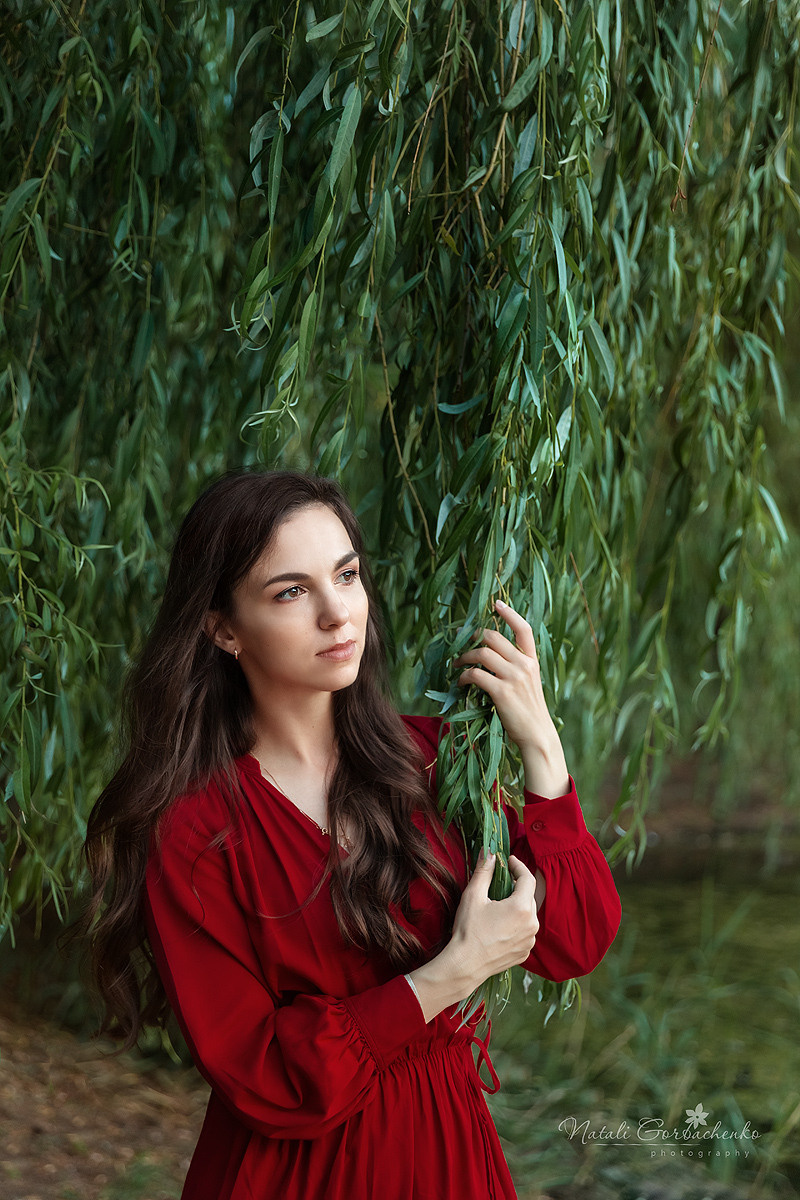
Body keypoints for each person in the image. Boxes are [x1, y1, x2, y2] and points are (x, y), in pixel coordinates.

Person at [84, 469, 621, 1200]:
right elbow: (261, 1071)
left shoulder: (429, 762)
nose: (339, 613)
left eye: (347, 575)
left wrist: (543, 755)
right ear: (222, 628)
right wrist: (451, 974)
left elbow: (574, 939)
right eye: (292, 591)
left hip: (445, 1154)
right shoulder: (192, 828)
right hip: (297, 1175)